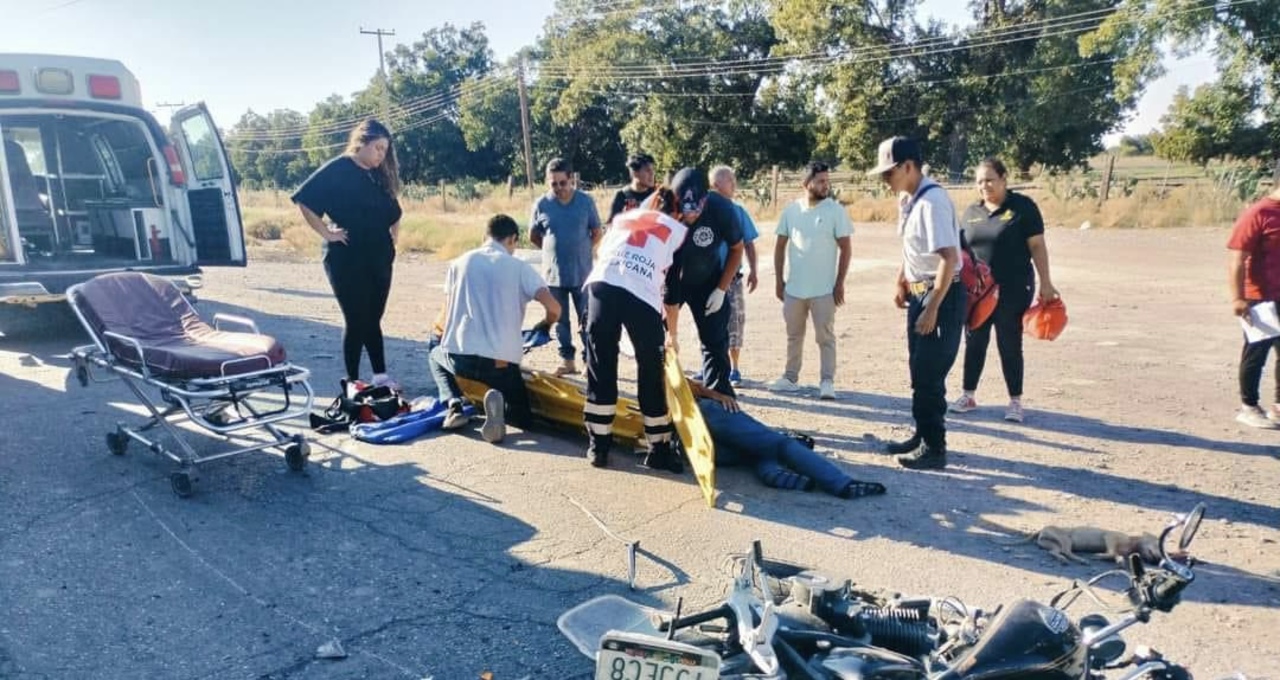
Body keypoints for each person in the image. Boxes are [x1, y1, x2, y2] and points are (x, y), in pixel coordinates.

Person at [868, 136, 966, 470]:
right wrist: (902, 279)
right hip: (919, 290)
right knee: (918, 369)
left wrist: (933, 307)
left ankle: (935, 448)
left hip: (941, 294)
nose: (885, 180)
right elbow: (913, 248)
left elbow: (949, 258)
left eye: (889, 173)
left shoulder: (931, 202)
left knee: (929, 374)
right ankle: (922, 434)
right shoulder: (908, 199)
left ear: (908, 166)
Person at [582, 188, 690, 471]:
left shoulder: (624, 218)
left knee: (601, 365)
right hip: (640, 294)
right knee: (650, 369)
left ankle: (599, 447)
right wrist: (672, 336)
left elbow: (599, 251)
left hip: (602, 285)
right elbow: (672, 294)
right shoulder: (676, 231)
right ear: (676, 213)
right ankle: (658, 449)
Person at [291, 118, 403, 389]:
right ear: (361, 143)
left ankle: (380, 376)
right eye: (377, 148)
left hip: (379, 257)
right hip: (347, 257)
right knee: (356, 318)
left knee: (373, 317)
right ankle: (353, 381)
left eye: (385, 150)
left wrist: (393, 238)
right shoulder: (338, 169)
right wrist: (327, 233)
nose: (381, 155)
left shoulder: (378, 176)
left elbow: (395, 212)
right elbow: (304, 200)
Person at [430, 214, 561, 444]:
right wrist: (546, 324)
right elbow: (554, 308)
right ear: (512, 239)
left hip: (461, 358)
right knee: (523, 419)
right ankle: (504, 413)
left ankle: (454, 404)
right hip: (500, 364)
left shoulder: (459, 264)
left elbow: (446, 313)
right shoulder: (519, 268)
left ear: (486, 236)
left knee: (434, 353)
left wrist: (442, 337)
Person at [952, 158, 1059, 423]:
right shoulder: (971, 212)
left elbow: (1037, 246)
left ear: (1003, 179)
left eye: (990, 180)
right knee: (974, 341)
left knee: (1009, 342)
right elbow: (961, 252)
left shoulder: (1023, 208)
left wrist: (1046, 282)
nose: (984, 186)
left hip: (1013, 288)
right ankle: (968, 395)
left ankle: (1015, 401)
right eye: (979, 181)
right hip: (979, 292)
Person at [691, 380, 887, 499]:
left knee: (754, 450)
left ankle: (771, 471)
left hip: (697, 449)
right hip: (703, 416)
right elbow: (686, 386)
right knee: (779, 444)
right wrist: (715, 395)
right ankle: (841, 483)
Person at [769, 161, 853, 400]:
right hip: (794, 289)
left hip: (824, 290)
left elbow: (846, 249)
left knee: (825, 337)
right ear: (806, 183)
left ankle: (827, 381)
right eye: (821, 181)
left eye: (828, 181)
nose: (826, 185)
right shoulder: (791, 211)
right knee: (794, 336)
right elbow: (780, 246)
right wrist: (779, 281)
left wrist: (839, 283)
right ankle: (790, 378)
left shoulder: (835, 211)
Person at [662, 167, 745, 397]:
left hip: (708, 279)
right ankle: (660, 395)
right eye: (684, 211)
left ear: (705, 200)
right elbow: (669, 281)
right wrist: (673, 334)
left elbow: (737, 249)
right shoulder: (665, 213)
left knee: (715, 339)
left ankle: (718, 395)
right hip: (671, 277)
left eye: (695, 211)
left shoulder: (721, 208)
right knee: (659, 340)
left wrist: (721, 289)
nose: (689, 216)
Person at [530, 158, 602, 377]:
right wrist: (553, 252)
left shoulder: (585, 202)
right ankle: (567, 361)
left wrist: (582, 250)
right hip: (554, 276)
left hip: (582, 273)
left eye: (563, 183)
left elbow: (596, 232)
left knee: (587, 320)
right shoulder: (542, 204)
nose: (559, 188)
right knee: (560, 320)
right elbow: (534, 235)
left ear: (571, 179)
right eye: (554, 184)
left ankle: (589, 362)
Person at [1227, 184, 1280, 429]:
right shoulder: (1259, 213)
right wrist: (1238, 298)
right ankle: (1249, 407)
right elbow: (1237, 259)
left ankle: (1278, 407)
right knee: (1256, 352)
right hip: (1259, 298)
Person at [709, 165, 759, 387]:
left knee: (735, 322)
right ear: (716, 185)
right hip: (708, 279)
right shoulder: (704, 212)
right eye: (730, 180)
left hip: (733, 279)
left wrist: (754, 271)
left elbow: (749, 243)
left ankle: (734, 367)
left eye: (734, 179)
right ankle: (710, 365)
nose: (734, 184)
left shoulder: (738, 212)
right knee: (708, 323)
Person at [607, 153, 657, 225]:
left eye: (653, 170)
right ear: (635, 173)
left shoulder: (657, 195)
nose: (652, 174)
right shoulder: (622, 196)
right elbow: (611, 226)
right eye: (647, 170)